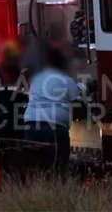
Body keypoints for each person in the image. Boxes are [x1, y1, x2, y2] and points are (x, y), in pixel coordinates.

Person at [22, 44, 82, 176]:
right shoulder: (65, 80)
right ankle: (54, 189)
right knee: (57, 167)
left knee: (34, 168)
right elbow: (77, 99)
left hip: (31, 127)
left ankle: (34, 192)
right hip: (53, 129)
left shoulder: (37, 78)